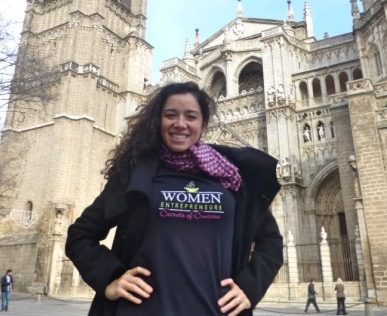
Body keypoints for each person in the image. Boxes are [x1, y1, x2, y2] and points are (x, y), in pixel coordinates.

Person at [65, 81, 283, 316]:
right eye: (171, 115)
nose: (180, 124)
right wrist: (111, 279)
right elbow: (80, 236)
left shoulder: (233, 178)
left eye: (191, 116)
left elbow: (271, 243)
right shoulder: (136, 175)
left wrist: (249, 288)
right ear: (158, 120)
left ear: (203, 123)